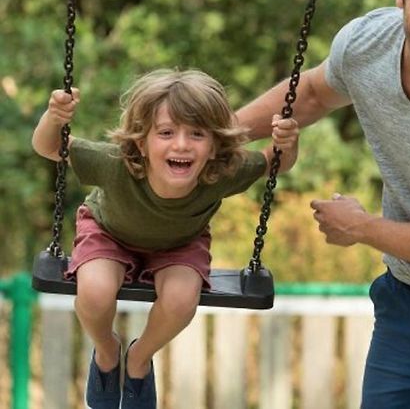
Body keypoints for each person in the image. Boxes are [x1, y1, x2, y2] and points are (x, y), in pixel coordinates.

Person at [236, 0, 410, 406]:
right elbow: (312, 92)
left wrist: (363, 228)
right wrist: (215, 138)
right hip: (405, 306)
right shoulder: (370, 43)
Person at [32, 69, 299, 409]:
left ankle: (139, 359)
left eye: (197, 134)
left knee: (181, 299)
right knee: (95, 292)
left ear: (215, 144)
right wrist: (55, 117)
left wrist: (288, 144)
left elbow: (274, 163)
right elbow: (48, 146)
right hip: (109, 233)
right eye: (166, 132)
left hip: (180, 243)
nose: (182, 144)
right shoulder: (114, 163)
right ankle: (107, 350)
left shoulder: (222, 172)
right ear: (141, 142)